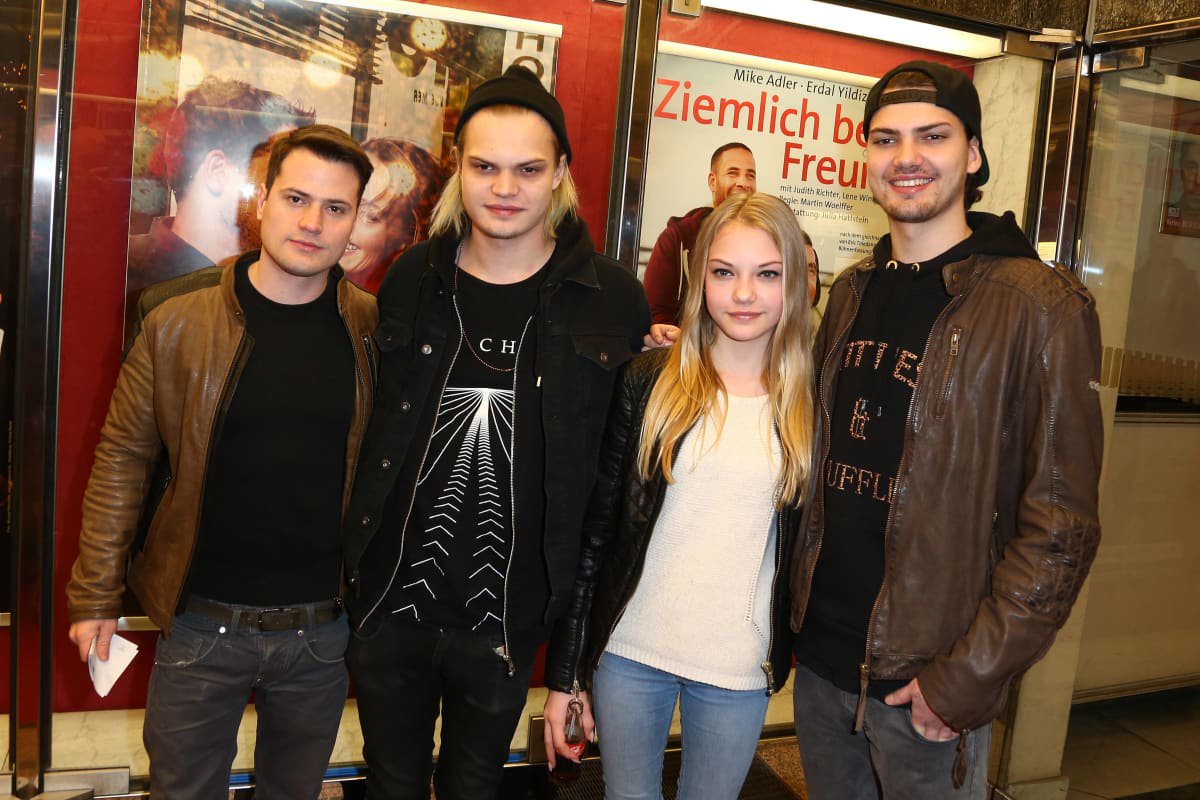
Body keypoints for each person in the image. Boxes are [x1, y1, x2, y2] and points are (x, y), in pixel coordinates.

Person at [788, 61, 1104, 798]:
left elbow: (1061, 528)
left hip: (926, 691)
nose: (906, 157)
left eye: (932, 136)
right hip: (822, 672)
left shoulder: (1040, 307)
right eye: (885, 139)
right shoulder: (851, 291)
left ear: (974, 155)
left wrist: (965, 680)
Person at [342, 65, 650, 799]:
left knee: (476, 784)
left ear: (561, 173)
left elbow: (612, 477)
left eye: (528, 169)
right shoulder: (413, 278)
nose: (504, 188)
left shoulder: (611, 299)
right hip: (390, 604)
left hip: (508, 616)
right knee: (390, 784)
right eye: (484, 167)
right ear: (459, 168)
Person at [66, 125, 377, 800]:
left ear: (354, 220)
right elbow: (122, 460)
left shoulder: (375, 331)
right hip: (200, 626)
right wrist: (95, 595)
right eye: (296, 198)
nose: (312, 222)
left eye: (335, 207)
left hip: (321, 632)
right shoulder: (174, 319)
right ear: (260, 200)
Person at [542, 192, 815, 799]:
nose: (743, 294)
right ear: (699, 280)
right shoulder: (649, 381)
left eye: (767, 274)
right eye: (724, 272)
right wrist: (568, 674)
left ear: (794, 282)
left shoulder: (811, 403)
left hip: (737, 665)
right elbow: (597, 537)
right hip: (629, 652)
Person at [128, 77, 314, 303]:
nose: (294, 197)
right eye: (277, 173)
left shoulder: (263, 283)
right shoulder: (125, 276)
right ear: (218, 172)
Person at [643, 142, 757, 325]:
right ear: (713, 181)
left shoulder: (767, 241)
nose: (743, 183)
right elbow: (654, 313)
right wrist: (680, 339)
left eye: (750, 176)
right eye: (733, 173)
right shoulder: (679, 239)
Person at [342, 137, 442, 293]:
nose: (345, 223)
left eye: (370, 215)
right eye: (338, 206)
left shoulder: (394, 302)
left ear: (406, 237)